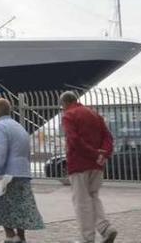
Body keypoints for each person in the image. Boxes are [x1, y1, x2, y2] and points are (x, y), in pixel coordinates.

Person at [60, 91, 117, 243]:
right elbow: (108, 137)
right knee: (94, 196)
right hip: (97, 165)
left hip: (79, 164)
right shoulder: (94, 114)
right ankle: (106, 228)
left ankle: (87, 238)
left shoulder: (68, 116)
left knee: (81, 201)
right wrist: (103, 154)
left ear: (64, 104)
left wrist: (92, 153)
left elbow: (74, 140)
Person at [0, 98, 44, 242]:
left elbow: (0, 151)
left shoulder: (0, 126)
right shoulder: (19, 126)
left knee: (0, 204)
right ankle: (21, 237)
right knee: (19, 206)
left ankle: (10, 235)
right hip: (22, 172)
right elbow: (26, 150)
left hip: (8, 174)